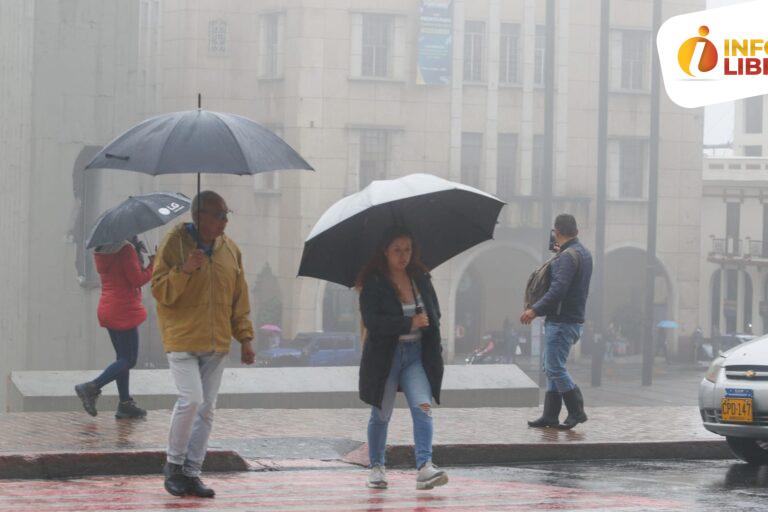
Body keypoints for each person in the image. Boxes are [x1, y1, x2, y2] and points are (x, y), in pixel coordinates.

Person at [152, 191, 255, 498]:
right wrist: (184, 269)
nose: (224, 221)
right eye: (218, 214)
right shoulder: (176, 243)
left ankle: (192, 472)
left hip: (216, 342)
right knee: (191, 400)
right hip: (183, 339)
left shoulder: (230, 250)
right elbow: (160, 291)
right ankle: (173, 465)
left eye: (226, 215)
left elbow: (239, 298)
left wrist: (245, 338)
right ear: (199, 216)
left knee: (207, 408)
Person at [357, 226, 448, 491]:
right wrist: (408, 323)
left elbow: (434, 310)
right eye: (397, 250)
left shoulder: (420, 276)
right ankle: (376, 466)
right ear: (385, 251)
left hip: (416, 356)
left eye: (407, 249)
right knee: (381, 413)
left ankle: (424, 466)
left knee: (423, 408)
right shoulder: (374, 282)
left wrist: (429, 324)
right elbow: (373, 322)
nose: (403, 256)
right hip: (387, 357)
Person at [521, 214, 593, 430]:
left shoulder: (566, 257)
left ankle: (576, 411)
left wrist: (534, 310)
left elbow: (558, 289)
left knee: (554, 367)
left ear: (557, 232)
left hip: (562, 321)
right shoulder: (583, 253)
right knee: (550, 367)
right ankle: (550, 415)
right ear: (576, 232)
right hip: (572, 319)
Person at [75, 236, 154, 419]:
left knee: (122, 358)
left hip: (109, 308)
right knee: (129, 359)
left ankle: (125, 404)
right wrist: (153, 265)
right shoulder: (125, 249)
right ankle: (91, 387)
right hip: (123, 309)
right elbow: (136, 279)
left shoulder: (104, 248)